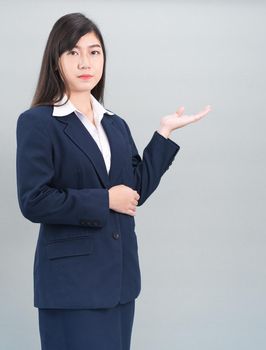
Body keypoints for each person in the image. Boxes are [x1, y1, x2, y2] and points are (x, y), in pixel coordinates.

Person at [16, 12, 211, 350]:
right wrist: (104, 200)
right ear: (56, 61)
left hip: (120, 283)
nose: (85, 62)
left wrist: (163, 133)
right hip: (72, 289)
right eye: (73, 52)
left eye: (94, 52)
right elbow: (34, 200)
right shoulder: (38, 122)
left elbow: (132, 192)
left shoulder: (114, 124)